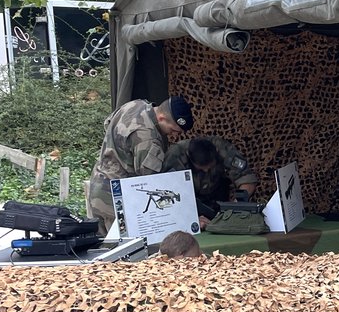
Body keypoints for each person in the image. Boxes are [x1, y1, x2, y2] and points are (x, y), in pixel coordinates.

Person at [88, 96, 195, 235]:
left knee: (98, 248)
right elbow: (150, 181)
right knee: (119, 251)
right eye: (173, 130)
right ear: (161, 118)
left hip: (98, 182)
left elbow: (108, 124)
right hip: (116, 199)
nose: (174, 135)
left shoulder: (135, 105)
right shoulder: (148, 138)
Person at [163, 136, 259, 228]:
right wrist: (191, 218)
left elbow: (247, 179)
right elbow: (167, 194)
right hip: (189, 204)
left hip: (219, 199)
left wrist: (236, 206)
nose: (206, 171)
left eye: (210, 167)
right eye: (201, 169)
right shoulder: (175, 155)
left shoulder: (222, 148)